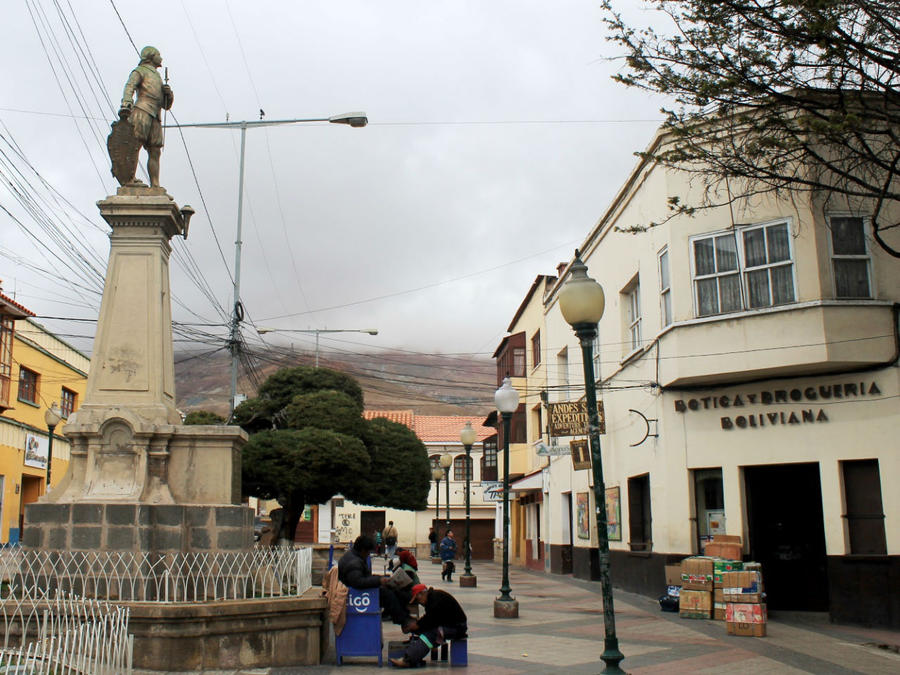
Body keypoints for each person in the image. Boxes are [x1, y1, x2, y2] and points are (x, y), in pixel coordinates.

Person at [119, 46, 174, 187]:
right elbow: (129, 86)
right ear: (151, 56)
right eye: (158, 54)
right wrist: (126, 103)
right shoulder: (140, 71)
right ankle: (129, 179)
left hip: (156, 115)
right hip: (142, 110)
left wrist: (168, 94)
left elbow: (165, 105)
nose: (161, 58)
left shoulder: (157, 76)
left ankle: (155, 184)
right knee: (135, 145)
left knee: (155, 150)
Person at [338, 535, 412, 630]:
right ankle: (403, 620)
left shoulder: (354, 556)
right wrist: (379, 580)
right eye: (368, 552)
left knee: (393, 590)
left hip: (358, 588)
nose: (368, 555)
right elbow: (358, 582)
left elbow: (363, 577)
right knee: (387, 595)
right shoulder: (354, 562)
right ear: (363, 550)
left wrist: (381, 578)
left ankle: (405, 616)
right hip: (356, 593)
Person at [389, 584, 468, 669]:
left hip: (457, 627)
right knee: (428, 632)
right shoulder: (433, 598)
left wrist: (417, 625)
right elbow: (431, 618)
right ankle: (413, 656)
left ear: (422, 594)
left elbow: (431, 619)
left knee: (431, 634)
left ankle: (408, 660)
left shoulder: (435, 599)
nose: (419, 602)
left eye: (417, 599)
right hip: (451, 625)